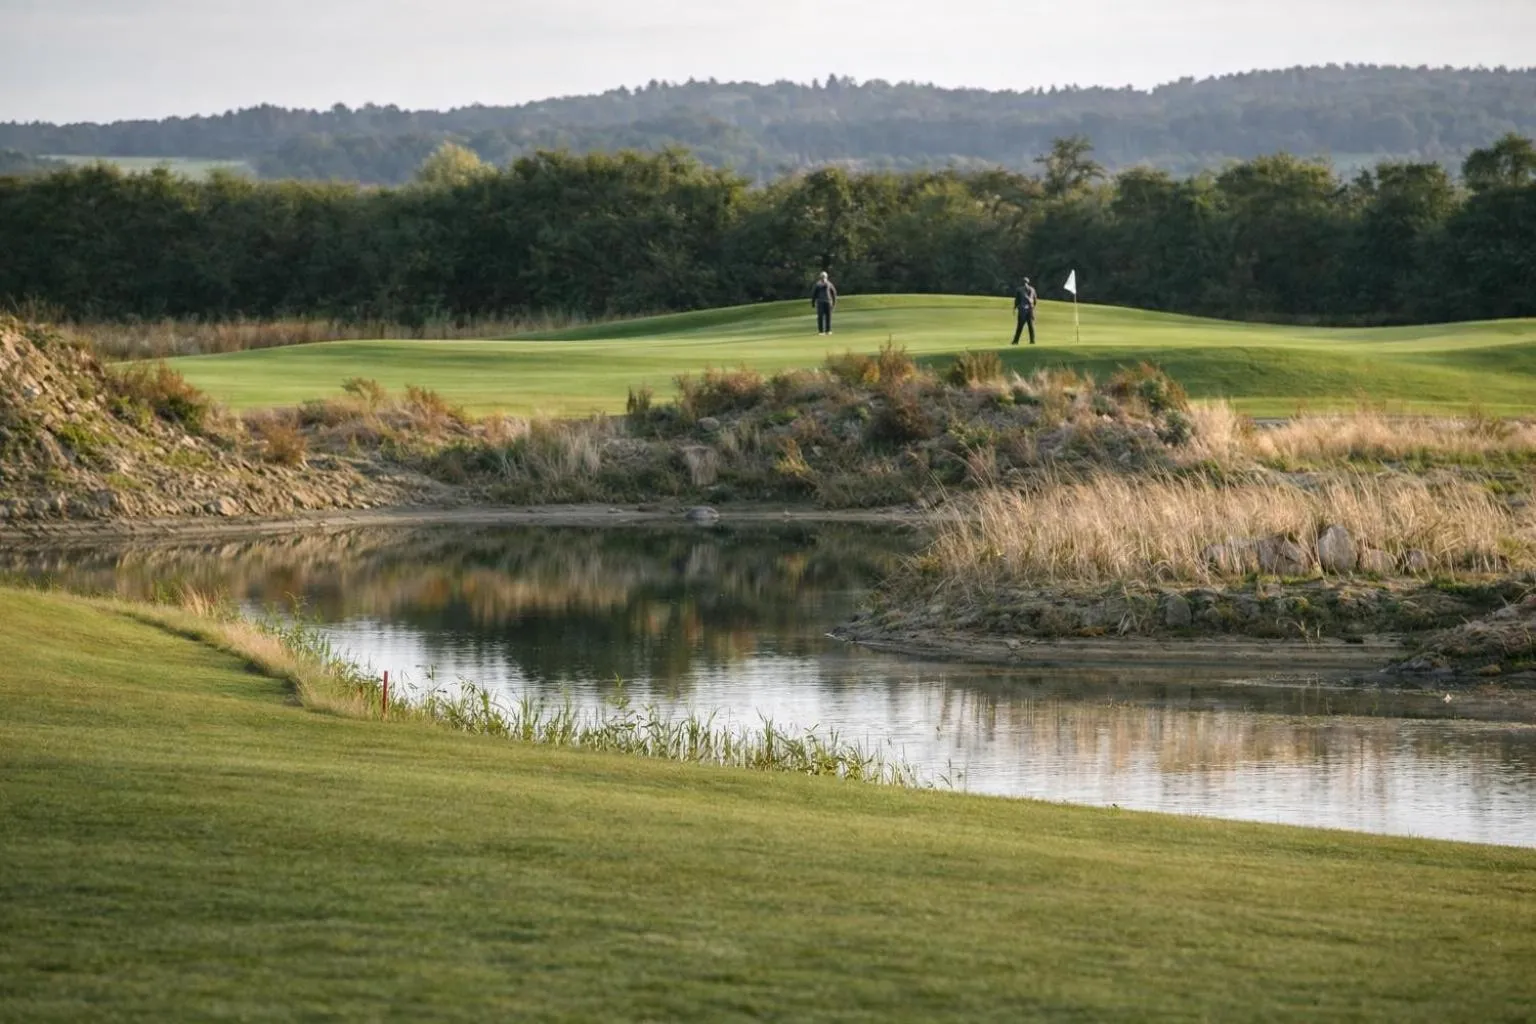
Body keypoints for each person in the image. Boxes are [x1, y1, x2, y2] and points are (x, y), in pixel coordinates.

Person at [1012, 276, 1038, 345]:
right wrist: (1033, 307)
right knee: (1031, 326)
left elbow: (1017, 300)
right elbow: (1035, 300)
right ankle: (1032, 340)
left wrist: (1015, 307)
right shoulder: (1032, 289)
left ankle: (1015, 341)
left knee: (1020, 326)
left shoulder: (1019, 290)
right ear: (1028, 282)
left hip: (1022, 310)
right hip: (1030, 309)